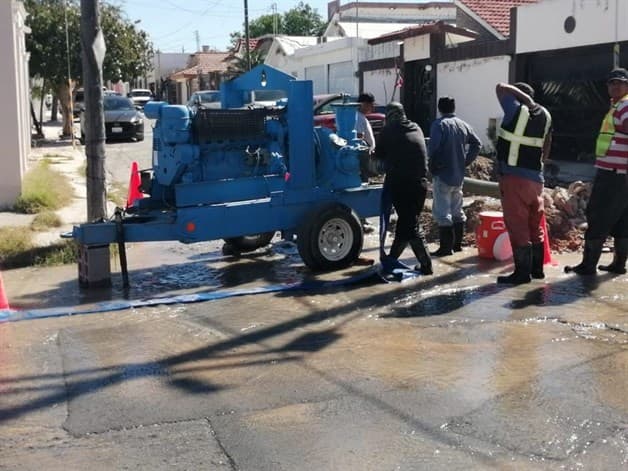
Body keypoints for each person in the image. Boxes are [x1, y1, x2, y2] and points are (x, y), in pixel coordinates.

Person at [565, 68, 628, 275]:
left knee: (598, 214)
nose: (614, 86)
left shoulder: (624, 106)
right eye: (611, 83)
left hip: (613, 174)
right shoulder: (617, 106)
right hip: (619, 173)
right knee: (621, 218)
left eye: (619, 83)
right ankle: (619, 264)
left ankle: (588, 265)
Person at [495, 81, 552, 284]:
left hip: (513, 178)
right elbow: (547, 145)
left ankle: (521, 274)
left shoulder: (516, 109)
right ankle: (537, 271)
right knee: (535, 225)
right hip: (536, 180)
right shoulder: (545, 115)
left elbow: (500, 87)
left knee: (517, 225)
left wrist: (524, 99)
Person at [375, 102, 432, 275]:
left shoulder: (389, 130)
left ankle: (426, 265)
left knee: (411, 226)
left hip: (402, 185)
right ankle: (391, 261)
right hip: (421, 184)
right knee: (406, 224)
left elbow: (378, 156)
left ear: (389, 116)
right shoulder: (416, 127)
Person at [428, 96, 481, 256]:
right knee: (457, 211)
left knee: (443, 213)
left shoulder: (439, 125)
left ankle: (445, 248)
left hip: (443, 174)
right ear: (454, 108)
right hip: (458, 175)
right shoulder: (463, 125)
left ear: (439, 108)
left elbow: (433, 149)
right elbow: (477, 144)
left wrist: (432, 166)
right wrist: (465, 161)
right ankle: (457, 245)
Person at [356, 92, 377, 233]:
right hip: (360, 158)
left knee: (364, 185)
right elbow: (358, 137)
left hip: (365, 156)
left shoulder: (361, 117)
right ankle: (361, 220)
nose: (371, 108)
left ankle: (362, 219)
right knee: (361, 188)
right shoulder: (357, 118)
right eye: (370, 105)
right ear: (363, 104)